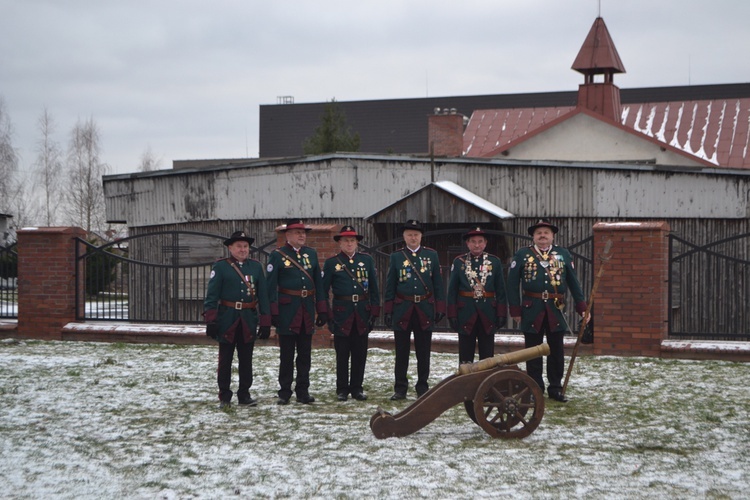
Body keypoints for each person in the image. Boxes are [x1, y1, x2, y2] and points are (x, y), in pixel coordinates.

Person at [506, 219, 587, 403]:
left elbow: (573, 282)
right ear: (533, 236)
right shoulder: (523, 254)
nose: (542, 236)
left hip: (554, 309)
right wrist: (516, 309)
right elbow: (512, 284)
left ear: (552, 236)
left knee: (556, 350)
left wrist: (581, 306)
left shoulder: (562, 254)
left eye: (546, 233)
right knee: (533, 351)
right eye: (539, 233)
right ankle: (535, 387)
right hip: (531, 308)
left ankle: (555, 388)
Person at [203, 231, 271, 409]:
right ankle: (224, 395)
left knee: (246, 359)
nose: (243, 249)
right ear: (230, 248)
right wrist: (211, 320)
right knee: (225, 359)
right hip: (227, 318)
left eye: (245, 246)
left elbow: (263, 295)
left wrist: (265, 321)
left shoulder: (256, 267)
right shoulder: (221, 267)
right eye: (239, 246)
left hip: (248, 319)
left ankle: (244, 394)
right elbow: (212, 295)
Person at [266, 218, 327, 405]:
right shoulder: (277, 255)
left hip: (306, 310)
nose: (302, 235)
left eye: (303, 233)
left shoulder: (311, 254)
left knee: (304, 354)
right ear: (288, 235)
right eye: (298, 232)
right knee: (286, 355)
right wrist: (273, 313)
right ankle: (284, 392)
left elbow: (319, 284)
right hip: (287, 311)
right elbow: (270, 287)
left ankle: (303, 391)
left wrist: (322, 309)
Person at [383, 219, 445, 400]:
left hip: (424, 308)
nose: (413, 237)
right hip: (402, 308)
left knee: (423, 351)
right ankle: (400, 388)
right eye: (409, 234)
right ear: (404, 237)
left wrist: (439, 307)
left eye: (416, 235)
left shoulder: (431, 255)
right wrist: (388, 310)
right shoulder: (396, 257)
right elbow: (390, 285)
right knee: (401, 352)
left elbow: (438, 285)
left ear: (421, 237)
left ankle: (422, 387)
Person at [321, 226, 381, 401]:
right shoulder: (332, 262)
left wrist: (374, 313)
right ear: (340, 242)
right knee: (342, 353)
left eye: (352, 240)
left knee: (360, 353)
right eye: (346, 240)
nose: (349, 243)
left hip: (362, 312)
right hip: (342, 313)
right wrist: (328, 314)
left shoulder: (366, 260)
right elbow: (324, 291)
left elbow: (375, 290)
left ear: (357, 243)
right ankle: (342, 389)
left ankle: (357, 388)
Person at [447, 227, 508, 365]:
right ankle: (466, 383)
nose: (477, 245)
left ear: (485, 243)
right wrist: (452, 315)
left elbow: (501, 290)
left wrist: (501, 314)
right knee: (465, 356)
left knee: (487, 356)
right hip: (465, 313)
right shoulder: (459, 262)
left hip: (488, 312)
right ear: (467, 244)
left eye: (480, 241)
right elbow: (452, 291)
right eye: (473, 241)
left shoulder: (494, 262)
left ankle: (485, 384)